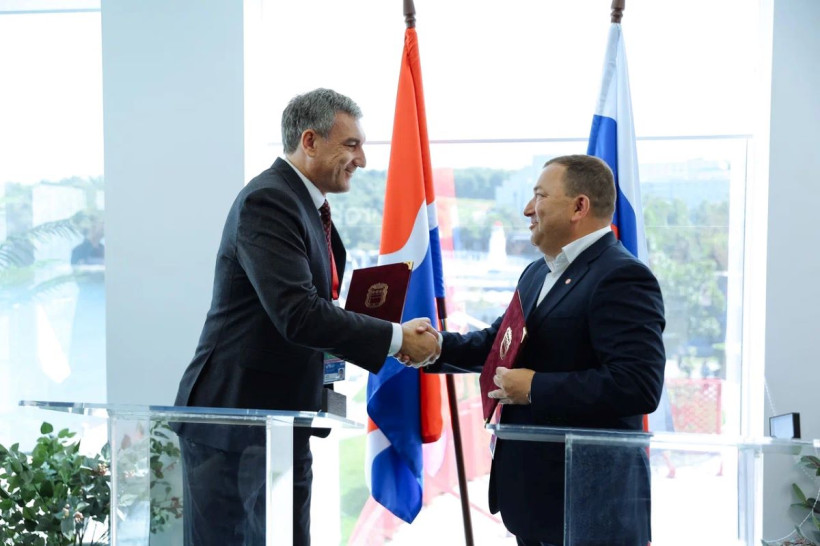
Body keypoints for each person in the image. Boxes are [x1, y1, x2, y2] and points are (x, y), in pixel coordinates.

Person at [173, 88, 439, 546]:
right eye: (351, 145)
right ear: (310, 141)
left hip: (283, 422)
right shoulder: (268, 201)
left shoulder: (307, 207)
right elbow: (298, 314)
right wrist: (395, 338)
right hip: (234, 424)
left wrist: (373, 326)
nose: (362, 160)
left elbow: (316, 309)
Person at [423, 154, 666, 545]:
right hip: (534, 504)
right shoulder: (538, 271)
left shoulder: (623, 276)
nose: (527, 209)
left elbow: (638, 384)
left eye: (539, 196)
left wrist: (535, 387)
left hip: (591, 509)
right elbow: (500, 345)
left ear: (579, 206)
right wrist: (433, 347)